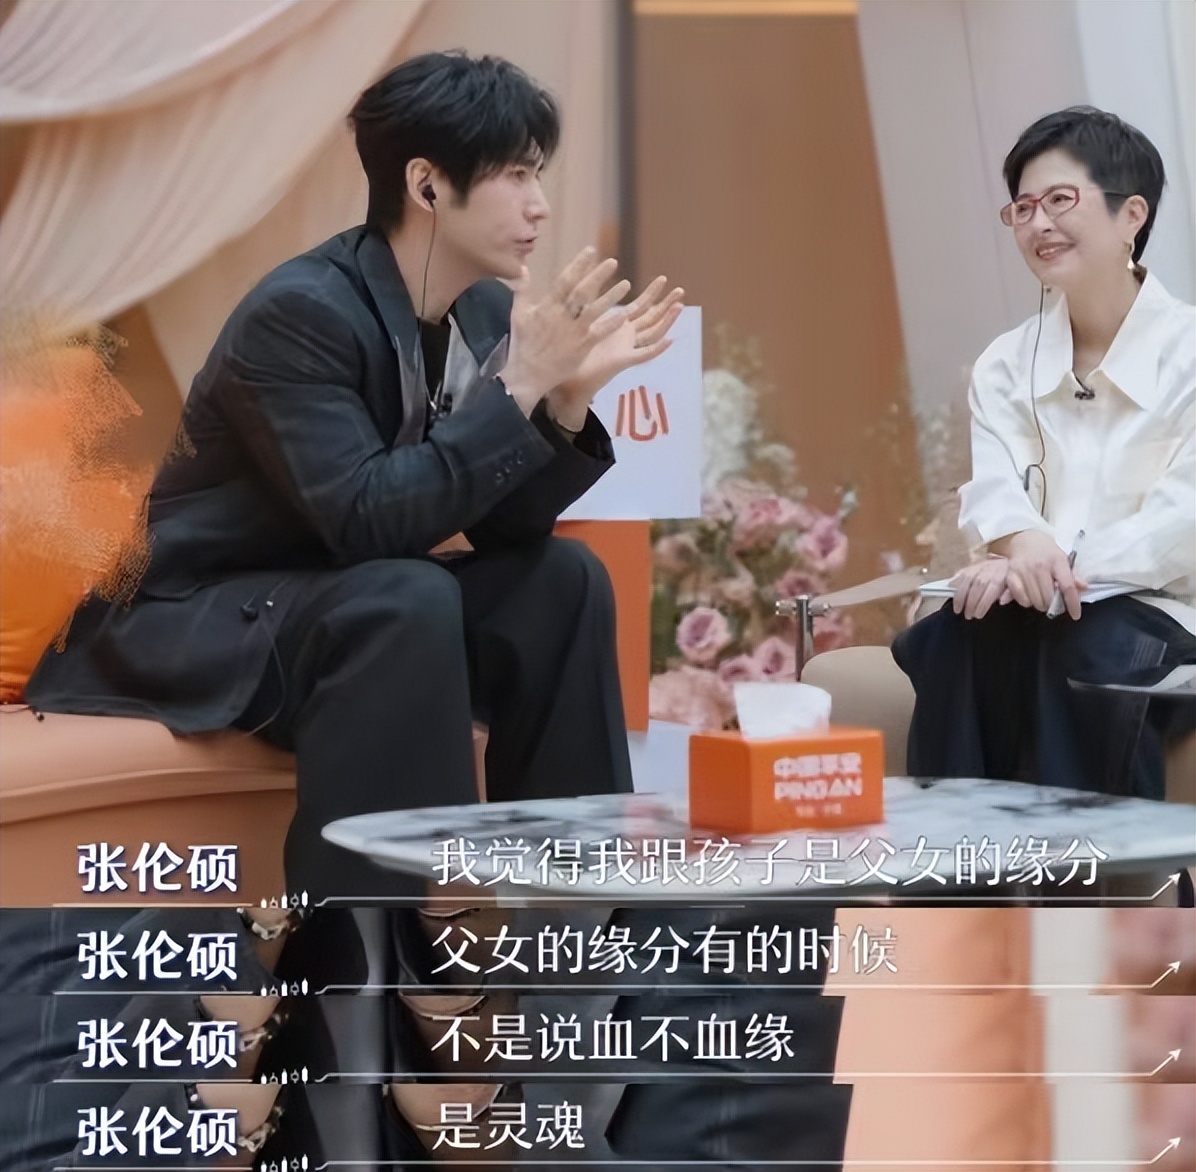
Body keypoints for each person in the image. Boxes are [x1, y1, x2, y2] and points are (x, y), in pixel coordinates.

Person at [26, 51, 682, 900]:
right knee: (404, 593)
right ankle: (371, 949)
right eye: (515, 174)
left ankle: (574, 919)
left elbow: (505, 529)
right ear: (427, 184)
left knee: (563, 579)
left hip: (343, 603)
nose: (539, 204)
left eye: (538, 174)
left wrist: (562, 402)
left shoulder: (483, 311)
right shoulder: (301, 312)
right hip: (202, 612)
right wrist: (518, 386)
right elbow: (365, 519)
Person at [894, 107, 1195, 804]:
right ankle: (957, 862)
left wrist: (1052, 569)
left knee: (1085, 644)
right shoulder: (1006, 363)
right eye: (1023, 208)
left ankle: (1094, 865)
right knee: (957, 635)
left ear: (1131, 215)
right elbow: (996, 488)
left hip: (1167, 611)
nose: (1038, 224)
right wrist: (1022, 546)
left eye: (1060, 199)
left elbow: (1182, 522)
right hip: (1038, 604)